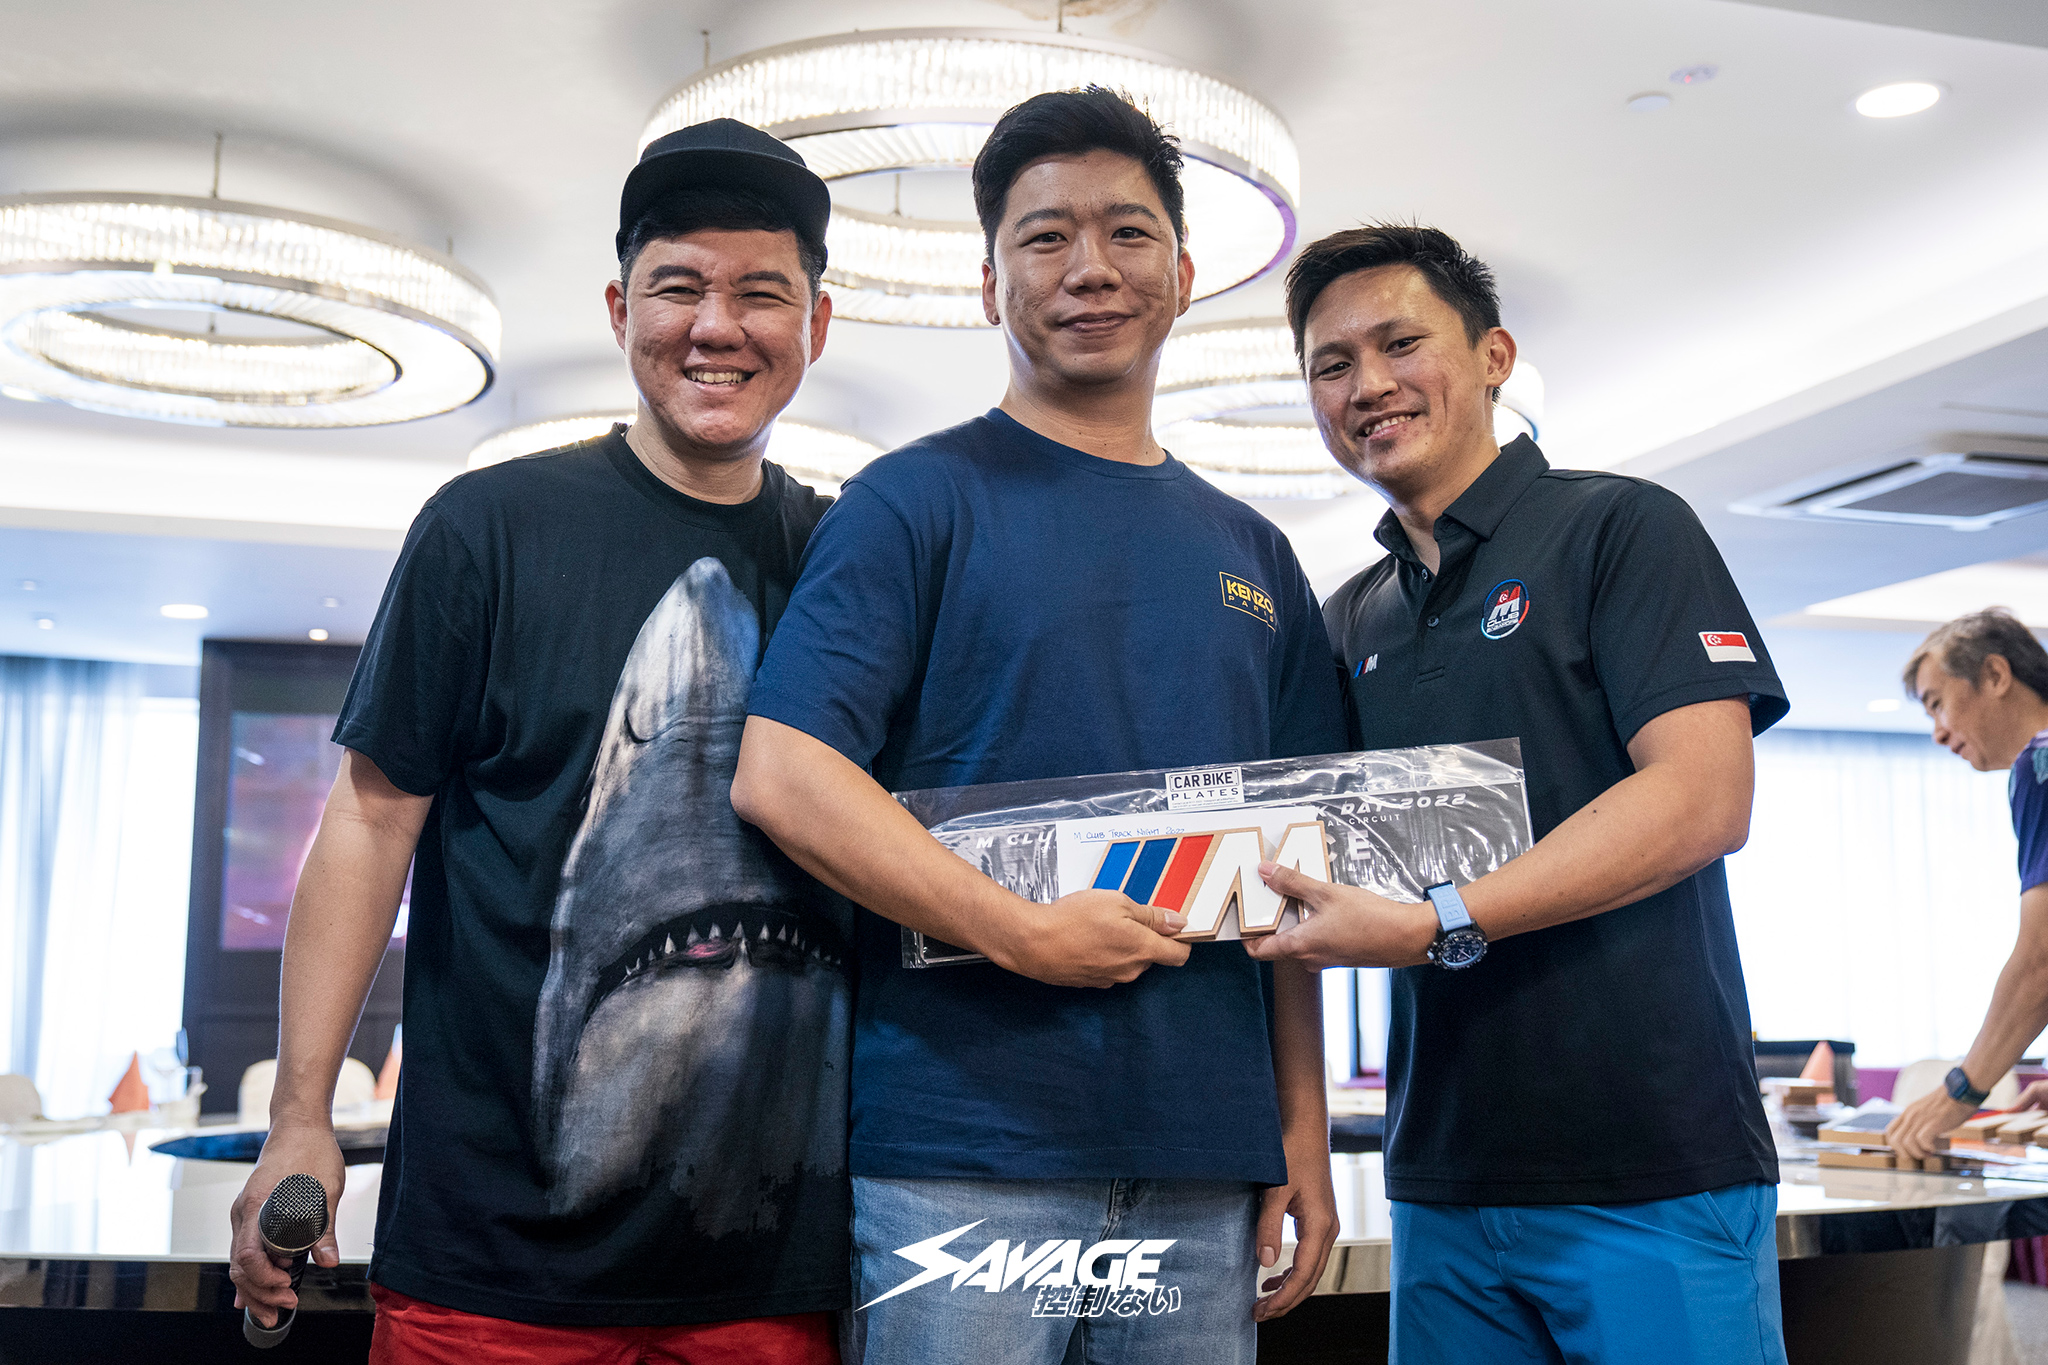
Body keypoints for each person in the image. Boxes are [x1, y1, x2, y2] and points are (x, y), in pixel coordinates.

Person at [730, 87, 1341, 1364]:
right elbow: (785, 774)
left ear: (1182, 274)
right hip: (961, 1157)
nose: (1088, 268)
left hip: (1199, 1161)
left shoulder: (1256, 555)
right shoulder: (910, 502)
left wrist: (1299, 1125)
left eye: (1126, 232)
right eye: (1044, 236)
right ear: (988, 283)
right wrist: (1017, 932)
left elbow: (1294, 870)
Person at [227, 119, 849, 1363]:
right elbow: (370, 819)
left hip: (771, 1275)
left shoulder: (848, 556)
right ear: (620, 310)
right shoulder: (486, 528)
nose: (715, 326)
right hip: (490, 1266)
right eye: (676, 287)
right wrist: (300, 1114)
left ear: (816, 325)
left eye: (760, 293)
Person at [1246, 224, 1791, 1364]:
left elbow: (1703, 799)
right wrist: (1300, 1136)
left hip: (1651, 1165)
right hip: (1444, 1180)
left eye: (1401, 343)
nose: (1367, 384)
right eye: (1332, 365)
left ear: (1494, 356)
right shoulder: (1347, 618)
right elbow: (1291, 877)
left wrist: (1436, 922)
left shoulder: (1621, 528)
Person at [1887, 609, 2048, 1159]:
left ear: (1996, 675)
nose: (1937, 732)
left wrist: (1961, 1091)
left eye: (1937, 702)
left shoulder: (2041, 763)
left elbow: (2041, 959)